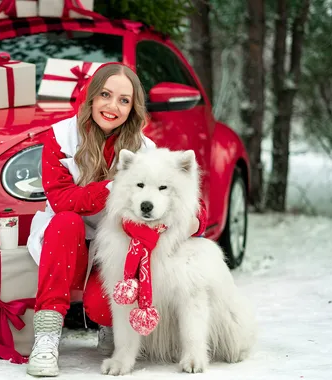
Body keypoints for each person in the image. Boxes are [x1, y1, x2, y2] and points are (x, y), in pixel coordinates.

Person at [25, 62, 207, 377]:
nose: (113, 106)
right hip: (68, 241)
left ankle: (112, 330)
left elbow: (181, 194)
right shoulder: (60, 136)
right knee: (65, 221)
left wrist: (194, 222)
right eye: (106, 95)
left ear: (133, 108)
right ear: (92, 96)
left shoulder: (145, 148)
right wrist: (112, 188)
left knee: (102, 303)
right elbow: (61, 199)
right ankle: (47, 336)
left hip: (116, 246)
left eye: (123, 100)